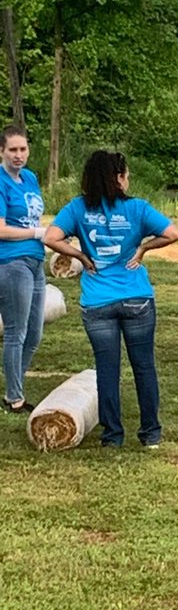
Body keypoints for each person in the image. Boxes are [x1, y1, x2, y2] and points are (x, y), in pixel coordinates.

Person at [44, 151, 178, 448]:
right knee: (143, 366)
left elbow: (50, 238)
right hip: (136, 299)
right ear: (117, 178)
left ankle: (113, 436)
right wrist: (143, 249)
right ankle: (150, 434)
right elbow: (172, 233)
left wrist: (80, 255)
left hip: (97, 301)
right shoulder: (137, 209)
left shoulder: (78, 208)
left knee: (107, 369)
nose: (127, 179)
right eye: (126, 174)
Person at [0, 125, 47, 413]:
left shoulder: (29, 178)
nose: (19, 155)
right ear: (2, 151)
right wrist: (37, 234)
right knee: (16, 332)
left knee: (35, 333)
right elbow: (1, 229)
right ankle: (14, 398)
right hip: (12, 262)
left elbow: (33, 217)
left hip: (36, 261)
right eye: (12, 150)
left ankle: (13, 383)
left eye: (23, 149)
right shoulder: (0, 181)